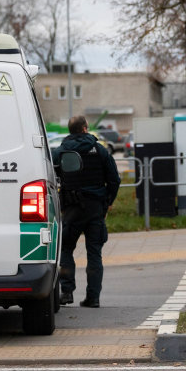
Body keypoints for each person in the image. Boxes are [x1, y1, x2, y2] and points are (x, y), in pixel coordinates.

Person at [52, 115, 121, 308]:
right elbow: (114, 180)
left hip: (72, 209)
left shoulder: (61, 152)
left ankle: (66, 292)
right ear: (85, 128)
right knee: (94, 253)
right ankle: (93, 298)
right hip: (95, 208)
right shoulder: (99, 150)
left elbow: (51, 175)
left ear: (70, 130)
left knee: (66, 249)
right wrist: (108, 201)